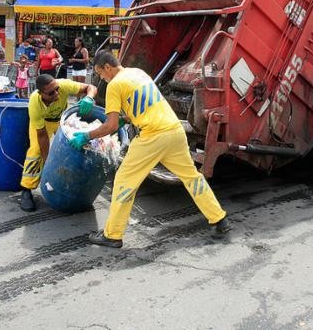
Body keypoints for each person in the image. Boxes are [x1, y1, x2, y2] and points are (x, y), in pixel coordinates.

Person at [69, 51, 230, 248]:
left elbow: (109, 126)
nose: (101, 78)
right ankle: (219, 219)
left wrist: (87, 135)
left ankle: (113, 234)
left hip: (152, 136)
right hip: (174, 131)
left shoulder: (114, 85)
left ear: (107, 67)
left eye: (100, 73)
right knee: (191, 178)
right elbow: (144, 105)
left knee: (124, 180)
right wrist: (123, 119)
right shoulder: (138, 73)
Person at [19, 73, 97, 212]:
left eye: (57, 89)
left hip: (61, 120)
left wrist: (89, 97)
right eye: (51, 93)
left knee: (72, 148)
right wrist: (47, 162)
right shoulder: (35, 102)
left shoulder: (63, 85)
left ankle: (66, 183)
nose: (56, 94)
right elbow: (42, 135)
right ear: (41, 93)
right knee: (36, 151)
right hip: (43, 125)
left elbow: (90, 87)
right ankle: (26, 189)